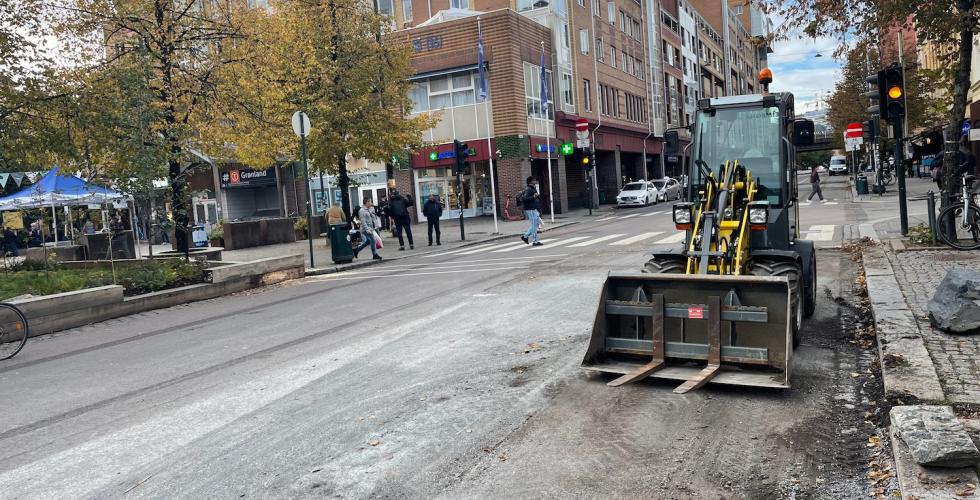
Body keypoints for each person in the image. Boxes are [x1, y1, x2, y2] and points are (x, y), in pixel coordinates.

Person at [520, 176, 543, 246]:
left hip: (534, 208)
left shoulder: (533, 188)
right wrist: (534, 196)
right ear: (530, 181)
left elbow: (535, 197)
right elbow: (525, 199)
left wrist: (537, 196)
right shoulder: (528, 189)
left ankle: (525, 236)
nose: (535, 181)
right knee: (534, 225)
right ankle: (535, 241)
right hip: (530, 209)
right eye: (534, 180)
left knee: (537, 223)